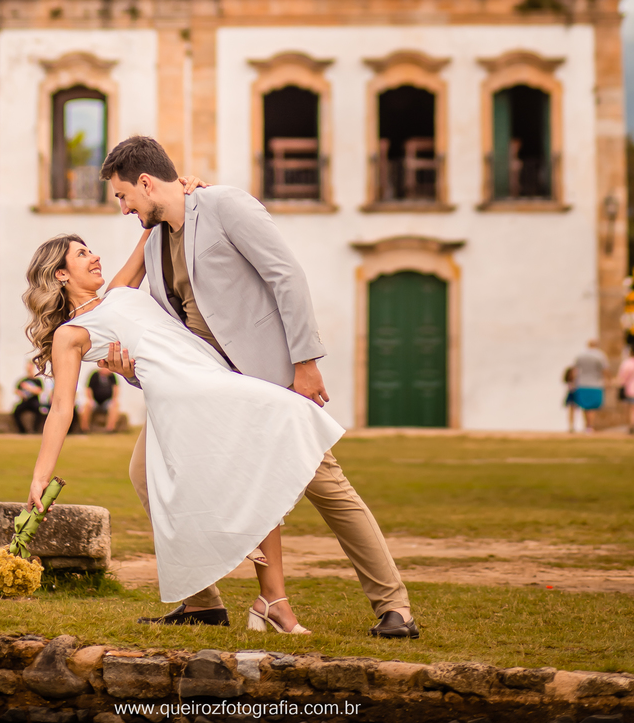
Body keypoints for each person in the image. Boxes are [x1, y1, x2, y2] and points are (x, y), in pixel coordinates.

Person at [97, 135, 421, 640]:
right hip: (206, 390)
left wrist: (305, 362)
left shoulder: (225, 205)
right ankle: (203, 602)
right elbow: (160, 323)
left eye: (123, 196)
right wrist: (134, 369)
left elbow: (285, 275)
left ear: (145, 182)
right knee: (145, 472)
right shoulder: (156, 243)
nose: (122, 208)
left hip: (267, 378)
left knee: (326, 485)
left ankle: (394, 607)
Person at [23, 227, 343, 636]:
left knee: (257, 467)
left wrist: (186, 194)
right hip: (187, 397)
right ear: (61, 274)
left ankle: (271, 601)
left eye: (91, 250)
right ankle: (261, 598)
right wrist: (40, 476)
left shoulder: (119, 291)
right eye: (82, 254)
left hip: (209, 375)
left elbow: (150, 226)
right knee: (272, 436)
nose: (94, 256)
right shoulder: (69, 334)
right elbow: (61, 407)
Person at [570, 338, 609, 433]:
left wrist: (573, 382)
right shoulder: (600, 355)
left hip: (582, 383)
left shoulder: (580, 355)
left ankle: (586, 425)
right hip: (595, 384)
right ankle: (590, 426)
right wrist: (608, 381)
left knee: (584, 406)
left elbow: (574, 370)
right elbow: (605, 370)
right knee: (592, 407)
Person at [12, 366, 48, 435]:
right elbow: (16, 390)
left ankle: (35, 430)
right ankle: (22, 430)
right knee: (16, 411)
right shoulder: (23, 380)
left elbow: (39, 391)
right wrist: (21, 393)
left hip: (34, 401)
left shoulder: (37, 380)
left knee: (39, 411)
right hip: (25, 401)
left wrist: (29, 388)